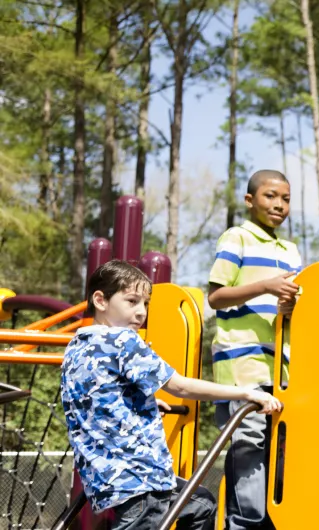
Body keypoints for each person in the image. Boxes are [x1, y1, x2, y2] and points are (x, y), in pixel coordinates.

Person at [62, 260, 282, 530]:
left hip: (104, 475)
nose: (141, 312)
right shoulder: (123, 341)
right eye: (131, 301)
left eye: (145, 304)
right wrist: (247, 392)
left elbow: (90, 394)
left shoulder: (77, 346)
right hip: (139, 476)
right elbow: (180, 386)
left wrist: (141, 401)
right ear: (100, 300)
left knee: (201, 505)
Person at [207, 169, 302, 530]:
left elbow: (289, 305)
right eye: (270, 196)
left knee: (276, 448)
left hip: (280, 365)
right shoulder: (237, 238)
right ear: (250, 201)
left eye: (286, 199)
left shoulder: (289, 251)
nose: (279, 205)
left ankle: (268, 520)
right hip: (241, 363)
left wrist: (288, 305)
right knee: (248, 442)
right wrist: (264, 286)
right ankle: (244, 524)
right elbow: (216, 296)